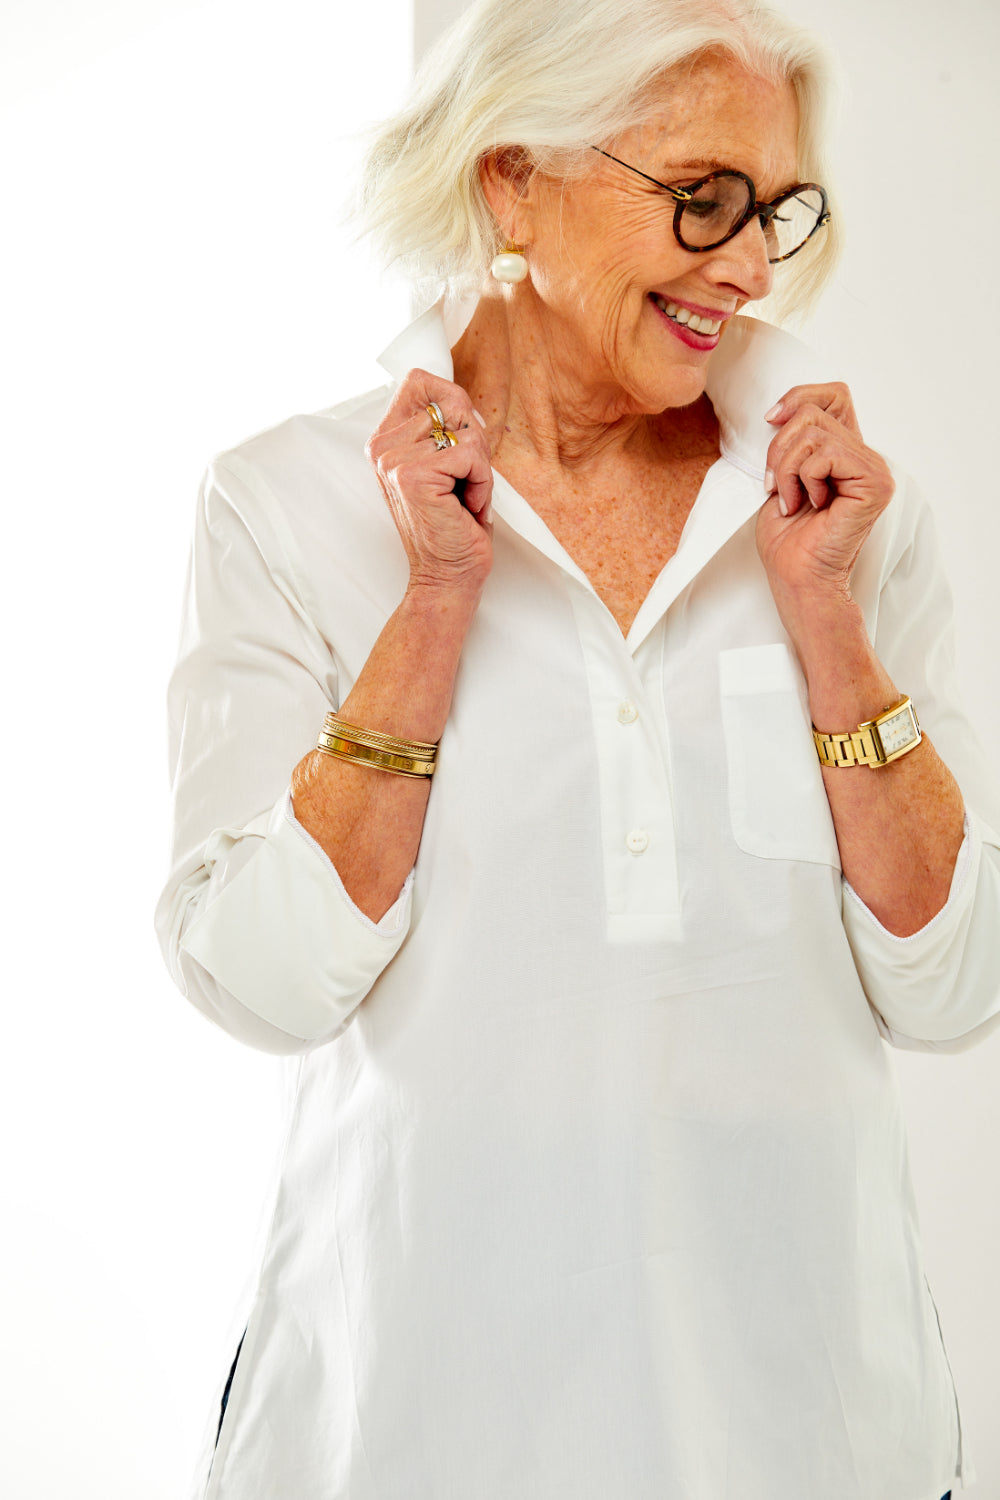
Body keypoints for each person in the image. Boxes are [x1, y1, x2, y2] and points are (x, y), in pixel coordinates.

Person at [155, 1, 999, 1495]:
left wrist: (826, 618)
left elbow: (957, 989)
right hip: (408, 1427)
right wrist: (433, 604)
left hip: (815, 1437)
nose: (748, 264)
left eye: (775, 210)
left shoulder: (845, 515)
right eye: (701, 197)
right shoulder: (288, 503)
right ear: (512, 180)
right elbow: (264, 983)